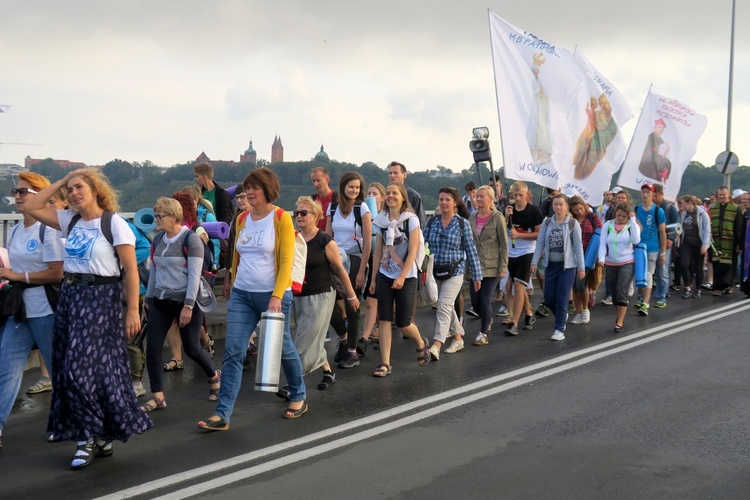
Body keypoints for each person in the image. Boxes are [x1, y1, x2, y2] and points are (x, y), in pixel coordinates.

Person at [24, 168, 152, 470]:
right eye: (69, 190)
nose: (73, 193)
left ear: (96, 190)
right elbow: (32, 207)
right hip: (71, 297)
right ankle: (100, 434)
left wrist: (132, 310)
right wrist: (63, 179)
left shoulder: (115, 224)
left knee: (76, 369)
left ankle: (87, 438)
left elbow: (130, 271)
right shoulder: (71, 220)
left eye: (79, 187)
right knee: (87, 371)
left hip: (100, 300)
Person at [199, 168, 307, 430]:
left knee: (282, 348)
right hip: (242, 295)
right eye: (247, 188)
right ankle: (222, 414)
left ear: (268, 190)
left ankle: (299, 395)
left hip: (272, 296)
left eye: (255, 187)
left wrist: (277, 295)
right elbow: (237, 255)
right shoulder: (242, 218)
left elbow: (285, 261)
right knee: (233, 353)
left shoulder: (281, 218)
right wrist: (229, 280)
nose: (249, 192)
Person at [0, 173, 65, 452]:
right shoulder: (14, 230)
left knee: (59, 372)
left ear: (40, 195)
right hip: (20, 312)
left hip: (46, 311)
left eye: (25, 191)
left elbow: (56, 273)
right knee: (6, 369)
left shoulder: (48, 230)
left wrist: (17, 275)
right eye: (16, 191)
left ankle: (62, 422)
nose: (18, 196)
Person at [141, 197, 221, 413]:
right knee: (154, 347)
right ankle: (157, 396)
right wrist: (148, 300)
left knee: (193, 348)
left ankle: (214, 375)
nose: (156, 220)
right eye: (155, 215)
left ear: (174, 217)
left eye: (160, 216)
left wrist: (188, 306)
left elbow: (195, 275)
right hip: (161, 300)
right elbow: (154, 271)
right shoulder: (157, 239)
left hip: (185, 301)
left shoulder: (190, 239)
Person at [292, 197, 359, 390]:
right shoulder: (294, 238)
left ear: (316, 216)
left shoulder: (324, 240)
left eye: (304, 213)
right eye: (297, 213)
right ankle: (328, 372)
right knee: (313, 337)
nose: (299, 216)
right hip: (299, 295)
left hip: (321, 294)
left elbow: (339, 269)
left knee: (303, 340)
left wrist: (351, 295)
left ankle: (294, 383)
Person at [369, 183, 431, 377]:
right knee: (384, 319)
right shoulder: (380, 221)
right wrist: (373, 279)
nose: (390, 196)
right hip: (385, 274)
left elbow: (413, 250)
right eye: (388, 193)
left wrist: (402, 276)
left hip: (407, 275)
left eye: (394, 193)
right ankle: (385, 363)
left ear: (403, 197)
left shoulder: (410, 220)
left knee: (404, 324)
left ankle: (421, 343)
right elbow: (377, 252)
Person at [423, 187, 482, 359]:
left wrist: (477, 276)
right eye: (441, 199)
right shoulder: (432, 222)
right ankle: (458, 338)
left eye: (447, 199)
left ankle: (436, 344)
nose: (443, 203)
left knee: (443, 306)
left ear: (455, 203)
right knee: (445, 304)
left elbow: (471, 251)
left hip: (455, 271)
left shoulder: (462, 224)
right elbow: (422, 246)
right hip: (435, 270)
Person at [162, 192, 216, 370]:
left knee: (192, 323)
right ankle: (177, 358)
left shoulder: (196, 230)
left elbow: (202, 263)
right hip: (173, 286)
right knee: (173, 321)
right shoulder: (167, 232)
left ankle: (206, 341)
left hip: (195, 284)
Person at [325, 171, 372, 369]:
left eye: (358, 187)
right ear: (343, 187)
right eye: (351, 187)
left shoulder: (362, 208)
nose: (354, 190)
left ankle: (352, 350)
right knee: (327, 302)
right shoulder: (333, 208)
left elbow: (368, 242)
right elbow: (327, 236)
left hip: (355, 257)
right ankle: (344, 338)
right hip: (336, 257)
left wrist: (362, 271)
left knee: (352, 304)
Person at [25, 185, 68, 396]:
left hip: (63, 293)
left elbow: (57, 272)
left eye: (52, 203)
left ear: (64, 204)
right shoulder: (47, 228)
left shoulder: (61, 229)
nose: (48, 207)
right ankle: (47, 377)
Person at [531, 194, 585, 341]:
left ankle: (559, 329)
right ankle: (562, 315)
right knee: (548, 298)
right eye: (556, 204)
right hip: (551, 265)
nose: (558, 207)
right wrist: (534, 262)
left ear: (566, 206)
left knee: (562, 298)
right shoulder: (547, 223)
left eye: (561, 204)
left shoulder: (573, 224)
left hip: (567, 267)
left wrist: (581, 267)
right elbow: (540, 243)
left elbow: (578, 247)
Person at [468, 185, 508, 346]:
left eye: (481, 196)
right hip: (475, 266)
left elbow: (504, 244)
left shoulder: (497, 217)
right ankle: (487, 318)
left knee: (485, 299)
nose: (478, 199)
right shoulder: (472, 217)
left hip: (492, 265)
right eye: (477, 196)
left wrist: (503, 267)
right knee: (476, 302)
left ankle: (483, 333)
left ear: (490, 199)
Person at [503, 181, 544, 335]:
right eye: (515, 195)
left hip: (527, 252)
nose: (518, 198)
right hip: (511, 252)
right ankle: (528, 313)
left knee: (519, 285)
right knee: (516, 285)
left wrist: (520, 235)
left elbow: (539, 234)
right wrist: (506, 217)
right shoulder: (509, 210)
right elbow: (503, 228)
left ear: (527, 194)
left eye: (521, 195)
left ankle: (514, 322)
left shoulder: (534, 211)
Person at [598, 202, 641, 332]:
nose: (620, 218)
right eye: (618, 215)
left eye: (623, 216)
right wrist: (601, 259)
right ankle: (620, 314)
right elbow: (602, 243)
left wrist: (633, 221)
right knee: (614, 292)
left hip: (627, 261)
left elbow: (636, 240)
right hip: (610, 262)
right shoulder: (608, 225)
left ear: (628, 216)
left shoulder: (631, 226)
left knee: (622, 290)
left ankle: (620, 321)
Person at [634, 183, 666, 316]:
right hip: (638, 247)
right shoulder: (635, 209)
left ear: (653, 194)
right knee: (639, 275)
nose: (645, 195)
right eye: (643, 192)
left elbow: (662, 232)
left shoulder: (658, 211)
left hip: (652, 247)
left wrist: (663, 252)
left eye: (648, 192)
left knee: (648, 274)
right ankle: (641, 298)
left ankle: (645, 303)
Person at [360, 182, 386, 346]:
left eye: (374, 193)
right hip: (370, 259)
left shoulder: (386, 215)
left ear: (382, 197)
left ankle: (375, 330)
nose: (370, 196)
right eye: (368, 193)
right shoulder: (364, 214)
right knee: (370, 299)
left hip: (385, 262)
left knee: (375, 299)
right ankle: (369, 333)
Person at [569, 196, 602, 324]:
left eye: (580, 208)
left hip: (588, 255)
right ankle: (578, 313)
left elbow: (600, 233)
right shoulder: (571, 220)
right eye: (576, 210)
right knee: (574, 286)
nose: (579, 212)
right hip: (573, 256)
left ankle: (585, 309)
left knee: (581, 284)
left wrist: (599, 256)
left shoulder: (592, 217)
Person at [573, 94, 618, 180]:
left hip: (595, 152)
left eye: (605, 103)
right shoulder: (595, 114)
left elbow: (607, 137)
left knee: (585, 175)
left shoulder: (612, 123)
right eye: (601, 103)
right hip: (584, 144)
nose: (603, 105)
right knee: (575, 165)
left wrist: (596, 132)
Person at [709, 186, 744, 296]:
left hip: (730, 241)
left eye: (724, 194)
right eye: (720, 194)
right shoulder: (712, 208)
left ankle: (726, 285)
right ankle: (719, 286)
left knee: (729, 265)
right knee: (717, 264)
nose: (721, 196)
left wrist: (739, 243)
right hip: (715, 241)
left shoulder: (735, 208)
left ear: (728, 195)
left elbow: (738, 227)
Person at [677, 195, 711, 298]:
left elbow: (706, 229)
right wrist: (678, 236)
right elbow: (681, 226)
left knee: (698, 267)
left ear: (690, 203)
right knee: (684, 264)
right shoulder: (684, 214)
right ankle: (687, 286)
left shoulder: (702, 213)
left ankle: (698, 289)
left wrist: (705, 245)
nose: (682, 206)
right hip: (687, 242)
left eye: (684, 204)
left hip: (698, 242)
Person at [652, 183, 679, 308]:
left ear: (662, 194)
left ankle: (661, 296)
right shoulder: (649, 207)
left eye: (655, 195)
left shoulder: (670, 208)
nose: (653, 197)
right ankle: (646, 296)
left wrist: (671, 239)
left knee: (663, 270)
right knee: (651, 271)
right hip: (651, 242)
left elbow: (676, 225)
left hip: (665, 242)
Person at [388, 161, 425, 228]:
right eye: (390, 173)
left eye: (395, 173)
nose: (392, 175)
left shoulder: (414, 196)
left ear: (404, 175)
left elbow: (421, 221)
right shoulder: (387, 196)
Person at [311, 167, 337, 232]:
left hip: (331, 239)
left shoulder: (336, 199)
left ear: (327, 179)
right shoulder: (311, 200)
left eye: (318, 180)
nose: (316, 184)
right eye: (313, 181)